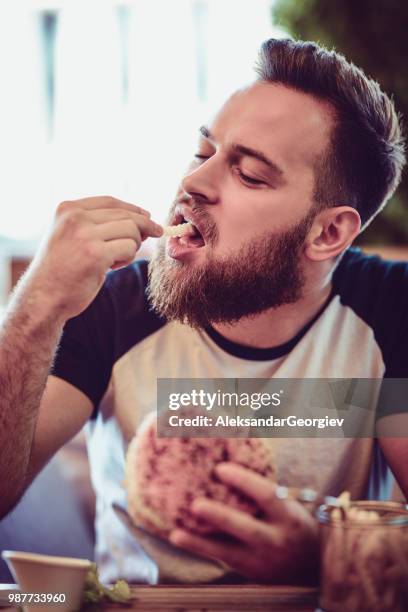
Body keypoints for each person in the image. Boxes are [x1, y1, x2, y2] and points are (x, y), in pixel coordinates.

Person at [0, 38, 407, 585]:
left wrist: (322, 557)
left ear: (328, 232)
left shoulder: (390, 313)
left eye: (250, 174)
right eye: (202, 153)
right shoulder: (111, 306)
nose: (193, 183)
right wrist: (35, 307)